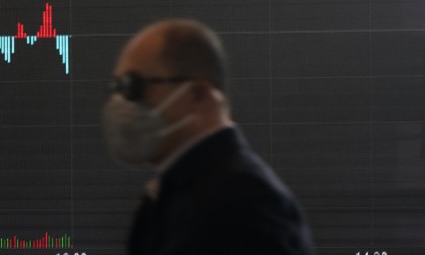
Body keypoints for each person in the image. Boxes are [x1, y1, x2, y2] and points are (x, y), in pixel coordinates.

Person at [102, 18, 314, 255]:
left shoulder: (241, 202)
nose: (121, 104)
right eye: (116, 88)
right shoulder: (181, 192)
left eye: (133, 87)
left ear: (198, 94)